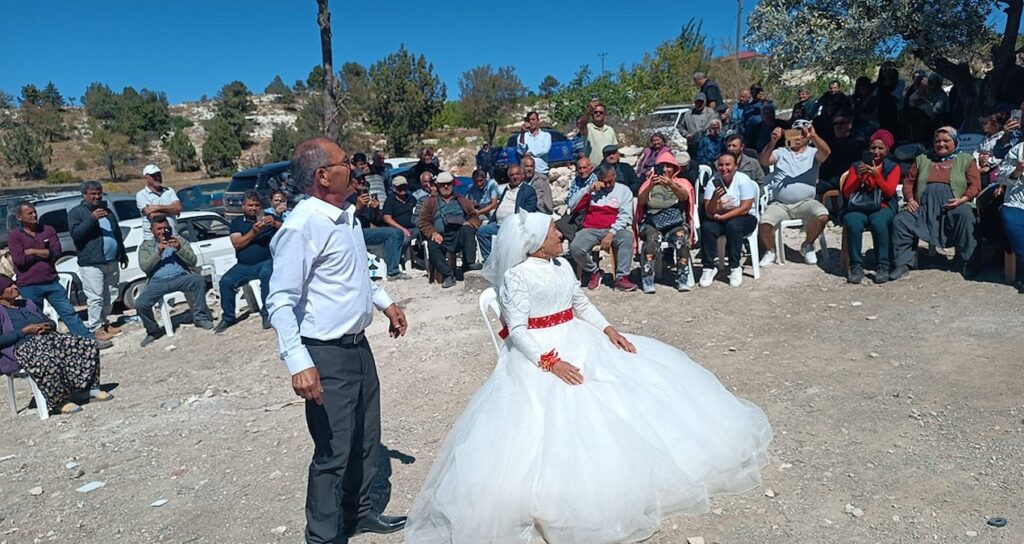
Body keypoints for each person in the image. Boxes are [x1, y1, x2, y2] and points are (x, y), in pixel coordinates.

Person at [404, 212, 772, 543]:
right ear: (535, 241)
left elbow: (581, 304)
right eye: (553, 231)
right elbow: (516, 328)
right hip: (542, 348)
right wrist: (549, 362)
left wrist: (609, 329)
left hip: (578, 335)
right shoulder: (517, 277)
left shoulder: (563, 265)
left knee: (630, 380)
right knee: (565, 405)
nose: (560, 235)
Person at [266, 138, 410, 543]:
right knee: (333, 453)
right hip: (325, 354)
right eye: (345, 162)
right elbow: (279, 300)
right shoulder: (301, 226)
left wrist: (384, 302)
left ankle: (359, 513)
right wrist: (298, 361)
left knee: (366, 436)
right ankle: (324, 536)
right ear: (323, 176)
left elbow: (355, 272)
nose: (354, 167)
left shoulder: (344, 216)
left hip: (357, 346)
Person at [0, 274, 111, 415]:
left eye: (13, 284)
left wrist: (47, 325)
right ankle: (59, 401)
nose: (14, 287)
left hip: (49, 339)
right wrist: (25, 331)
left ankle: (88, 389)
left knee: (87, 344)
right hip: (22, 348)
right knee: (46, 359)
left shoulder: (27, 304)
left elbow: (51, 322)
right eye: (8, 286)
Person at [7, 202, 111, 349]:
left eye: (34, 212)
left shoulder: (48, 230)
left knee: (69, 312)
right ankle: (42, 349)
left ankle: (88, 342)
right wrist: (45, 253)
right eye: (29, 213)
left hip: (51, 281)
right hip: (29, 285)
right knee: (34, 319)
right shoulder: (15, 236)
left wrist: (33, 251)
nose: (34, 215)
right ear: (19, 217)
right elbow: (20, 260)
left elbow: (56, 252)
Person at [891, 127, 981, 280]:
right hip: (924, 207)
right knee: (901, 221)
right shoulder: (923, 159)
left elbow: (975, 185)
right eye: (938, 140)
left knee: (967, 217)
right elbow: (908, 182)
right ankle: (903, 263)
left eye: (946, 140)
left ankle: (967, 261)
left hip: (954, 206)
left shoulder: (966, 159)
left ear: (955, 141)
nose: (941, 144)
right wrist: (911, 199)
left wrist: (963, 199)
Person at [136, 214, 216, 347]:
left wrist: (179, 249)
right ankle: (153, 331)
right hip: (158, 281)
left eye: (165, 228)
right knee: (141, 303)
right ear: (152, 231)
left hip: (180, 277)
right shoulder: (146, 246)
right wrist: (158, 253)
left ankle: (200, 317)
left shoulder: (179, 241)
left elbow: (193, 261)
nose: (162, 232)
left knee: (198, 280)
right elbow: (145, 267)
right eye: (159, 229)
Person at [758, 124, 832, 266]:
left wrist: (814, 136)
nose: (798, 137)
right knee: (764, 222)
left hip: (806, 202)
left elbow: (826, 152)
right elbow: (764, 160)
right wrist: (773, 141)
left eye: (802, 134)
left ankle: (808, 244)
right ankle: (770, 251)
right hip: (780, 203)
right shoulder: (781, 152)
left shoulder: (813, 152)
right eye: (795, 132)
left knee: (822, 215)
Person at [68, 181, 129, 342]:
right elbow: (76, 235)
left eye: (99, 193)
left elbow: (116, 234)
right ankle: (95, 327)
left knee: (111, 294)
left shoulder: (107, 212)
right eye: (93, 193)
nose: (97, 196)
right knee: (95, 297)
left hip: (111, 261)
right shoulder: (76, 213)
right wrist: (91, 219)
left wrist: (122, 254)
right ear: (84, 195)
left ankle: (104, 322)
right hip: (91, 263)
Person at [841, 130, 901, 284]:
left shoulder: (892, 167)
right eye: (873, 148)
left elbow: (889, 192)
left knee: (879, 223)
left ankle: (882, 265)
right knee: (853, 223)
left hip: (882, 205)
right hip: (858, 205)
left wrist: (877, 176)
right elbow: (847, 193)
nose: (876, 152)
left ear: (887, 149)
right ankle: (856, 265)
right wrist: (859, 178)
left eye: (881, 148)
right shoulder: (857, 166)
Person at [567, 163, 638, 292]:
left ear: (615, 176)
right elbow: (572, 206)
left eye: (610, 181)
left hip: (613, 227)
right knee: (575, 247)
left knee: (627, 238)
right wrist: (587, 191)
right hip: (591, 228)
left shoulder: (623, 191)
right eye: (604, 182)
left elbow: (626, 216)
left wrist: (611, 233)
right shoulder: (592, 190)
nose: (608, 185)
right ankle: (594, 271)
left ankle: (622, 277)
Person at [214, 190, 277, 333]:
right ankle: (228, 317)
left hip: (265, 261)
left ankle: (266, 314)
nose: (253, 208)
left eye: (256, 205)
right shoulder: (236, 223)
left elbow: (287, 229)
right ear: (243, 206)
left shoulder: (268, 218)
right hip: (244, 265)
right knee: (226, 282)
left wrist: (275, 223)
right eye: (250, 205)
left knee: (268, 274)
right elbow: (237, 243)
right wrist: (254, 232)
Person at [635, 152, 695, 293]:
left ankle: (682, 278)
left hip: (674, 223)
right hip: (652, 223)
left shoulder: (682, 183)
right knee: (652, 239)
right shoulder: (648, 183)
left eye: (670, 167)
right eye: (663, 166)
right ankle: (648, 279)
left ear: (675, 168)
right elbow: (641, 201)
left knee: (681, 238)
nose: (666, 170)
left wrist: (672, 185)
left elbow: (684, 197)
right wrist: (650, 185)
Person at [699, 153, 759, 288]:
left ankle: (735, 266)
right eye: (721, 165)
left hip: (745, 217)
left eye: (728, 164)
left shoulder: (743, 180)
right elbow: (709, 211)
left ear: (735, 166)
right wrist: (715, 197)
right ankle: (708, 267)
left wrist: (723, 216)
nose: (724, 168)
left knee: (734, 225)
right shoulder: (713, 182)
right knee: (707, 227)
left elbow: (745, 208)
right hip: (719, 218)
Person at [417, 172, 482, 288]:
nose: (446, 187)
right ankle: (448, 275)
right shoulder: (431, 202)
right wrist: (433, 232)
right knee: (432, 246)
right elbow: (423, 221)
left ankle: (468, 265)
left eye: (448, 184)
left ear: (452, 184)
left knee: (467, 231)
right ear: (437, 186)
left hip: (458, 233)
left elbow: (474, 216)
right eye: (442, 185)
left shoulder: (461, 200)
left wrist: (470, 223)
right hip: (440, 236)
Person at [347, 170, 409, 281]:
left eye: (363, 178)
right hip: (353, 233)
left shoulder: (365, 196)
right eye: (358, 179)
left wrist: (376, 210)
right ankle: (393, 272)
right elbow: (345, 220)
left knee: (397, 233)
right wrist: (357, 208)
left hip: (366, 231)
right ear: (351, 181)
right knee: (394, 233)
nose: (362, 181)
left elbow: (376, 220)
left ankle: (392, 267)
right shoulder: (347, 198)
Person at [477, 165, 538, 261]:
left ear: (522, 175)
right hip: (499, 225)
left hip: (514, 227)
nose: (514, 177)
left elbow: (530, 210)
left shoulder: (528, 190)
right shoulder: (506, 189)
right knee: (482, 232)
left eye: (517, 174)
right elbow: (499, 206)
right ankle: (488, 260)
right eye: (512, 175)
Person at [996, 141, 1024, 292]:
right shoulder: (1018, 150)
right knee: (1011, 219)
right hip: (1017, 203)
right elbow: (999, 177)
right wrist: (1017, 171)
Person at [819, 111, 865, 196]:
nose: (838, 126)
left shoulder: (857, 144)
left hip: (843, 178)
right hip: (825, 177)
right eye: (836, 123)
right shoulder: (829, 143)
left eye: (842, 123)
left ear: (850, 125)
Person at [136, 164, 182, 240]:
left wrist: (156, 207)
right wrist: (171, 210)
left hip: (173, 236)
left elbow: (178, 208)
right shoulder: (141, 195)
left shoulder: (169, 191)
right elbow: (154, 217)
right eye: (153, 176)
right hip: (153, 239)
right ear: (146, 177)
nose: (157, 178)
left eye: (159, 175)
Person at [577, 101, 618, 165]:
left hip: (610, 169)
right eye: (595, 112)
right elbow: (581, 125)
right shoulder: (588, 128)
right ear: (592, 114)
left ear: (604, 115)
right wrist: (588, 111)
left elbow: (615, 149)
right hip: (594, 169)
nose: (598, 114)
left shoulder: (610, 129)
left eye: (601, 112)